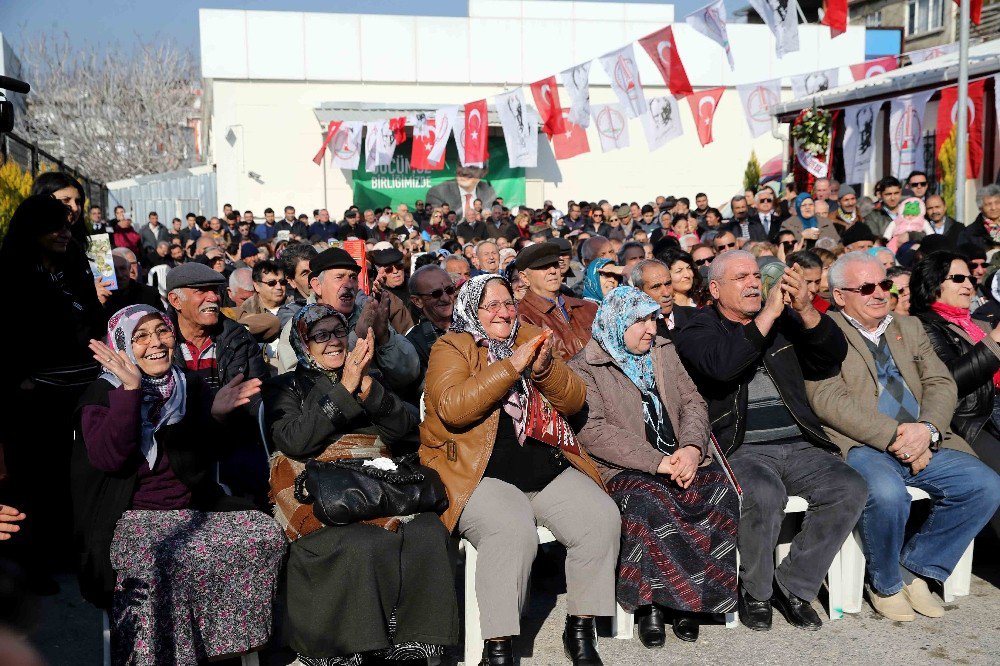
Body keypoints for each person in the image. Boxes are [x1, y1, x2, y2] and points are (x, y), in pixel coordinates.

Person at [420, 274, 619, 666]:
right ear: (471, 309)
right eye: (490, 305)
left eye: (508, 303)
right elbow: (454, 409)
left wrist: (545, 369)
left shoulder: (531, 335)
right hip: (478, 473)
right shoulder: (453, 346)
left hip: (543, 467)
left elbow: (575, 400)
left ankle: (580, 628)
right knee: (510, 531)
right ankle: (498, 647)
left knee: (601, 518)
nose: (503, 312)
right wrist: (511, 366)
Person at [73, 305, 284, 661]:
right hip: (129, 518)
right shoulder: (101, 395)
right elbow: (111, 460)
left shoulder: (187, 384)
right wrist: (130, 391)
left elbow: (203, 459)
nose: (155, 343)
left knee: (264, 535)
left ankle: (224, 646)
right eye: (140, 336)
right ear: (121, 344)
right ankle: (158, 655)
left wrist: (215, 417)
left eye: (162, 331)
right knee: (157, 561)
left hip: (192, 507)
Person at [674, 250, 867, 632]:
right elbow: (722, 366)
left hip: (798, 441)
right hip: (740, 446)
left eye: (755, 275)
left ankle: (793, 585)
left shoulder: (785, 321)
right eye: (741, 277)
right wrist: (767, 317)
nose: (753, 283)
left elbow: (832, 356)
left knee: (850, 486)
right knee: (762, 494)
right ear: (714, 289)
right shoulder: (697, 328)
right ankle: (756, 591)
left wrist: (807, 310)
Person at [806, 252, 1000, 621]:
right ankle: (886, 582)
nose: (879, 293)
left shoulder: (907, 327)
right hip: (863, 442)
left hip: (924, 435)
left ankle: (916, 568)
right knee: (887, 493)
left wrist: (926, 431)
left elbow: (940, 382)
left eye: (884, 284)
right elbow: (827, 399)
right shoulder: (823, 333)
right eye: (866, 287)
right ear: (839, 296)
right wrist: (899, 437)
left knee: (985, 485)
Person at [264, 304, 457, 664]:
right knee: (361, 542)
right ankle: (346, 647)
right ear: (303, 343)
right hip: (321, 487)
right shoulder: (285, 385)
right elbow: (294, 441)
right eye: (320, 335)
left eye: (338, 332)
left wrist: (368, 389)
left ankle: (414, 642)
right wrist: (344, 388)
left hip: (376, 479)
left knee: (428, 531)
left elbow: (406, 434)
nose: (333, 342)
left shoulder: (371, 376)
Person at [570, 286, 738, 645]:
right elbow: (594, 431)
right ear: (617, 324)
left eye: (653, 319)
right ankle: (652, 606)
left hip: (679, 455)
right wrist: (657, 462)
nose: (651, 329)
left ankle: (691, 603)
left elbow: (693, 400)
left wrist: (692, 448)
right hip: (625, 466)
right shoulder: (586, 366)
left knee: (717, 491)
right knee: (650, 501)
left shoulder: (663, 351)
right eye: (640, 321)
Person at [0, 195, 109, 594]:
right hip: (33, 398)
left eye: (67, 225)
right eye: (54, 226)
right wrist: (20, 380)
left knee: (76, 476)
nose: (64, 233)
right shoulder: (11, 274)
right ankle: (30, 565)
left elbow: (91, 323)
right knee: (33, 480)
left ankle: (73, 555)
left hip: (79, 390)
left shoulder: (74, 269)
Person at [908, 251, 1000, 539]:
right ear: (934, 283)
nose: (969, 286)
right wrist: (995, 341)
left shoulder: (975, 324)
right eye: (958, 278)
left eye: (971, 279)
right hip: (965, 419)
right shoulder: (923, 327)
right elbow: (950, 380)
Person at [165, 263, 270, 501]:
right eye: (201, 291)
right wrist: (210, 414)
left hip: (232, 445)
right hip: (177, 451)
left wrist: (227, 416)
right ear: (175, 300)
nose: (213, 297)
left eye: (215, 290)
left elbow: (257, 397)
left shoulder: (238, 338)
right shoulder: (159, 344)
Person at [275, 248, 419, 389]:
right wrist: (357, 337)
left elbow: (409, 374)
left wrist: (384, 338)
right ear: (317, 285)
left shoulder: (369, 317)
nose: (348, 285)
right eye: (339, 277)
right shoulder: (297, 327)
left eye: (353, 278)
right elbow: (300, 389)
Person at [515, 243, 598, 360]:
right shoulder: (522, 317)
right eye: (543, 267)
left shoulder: (588, 308)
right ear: (524, 277)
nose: (553, 270)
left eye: (555, 264)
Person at [405, 264, 457, 376]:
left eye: (449, 290)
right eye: (436, 294)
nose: (445, 298)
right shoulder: (413, 344)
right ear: (417, 301)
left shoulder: (472, 323)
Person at [425, 165, 498, 217]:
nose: (464, 172)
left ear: (483, 172)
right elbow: (435, 220)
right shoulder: (437, 192)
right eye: (461, 165)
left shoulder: (489, 191)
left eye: (471, 167)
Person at [958, 184, 1000, 251]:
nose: (993, 208)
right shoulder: (968, 234)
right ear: (980, 208)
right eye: (988, 204)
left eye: (997, 203)